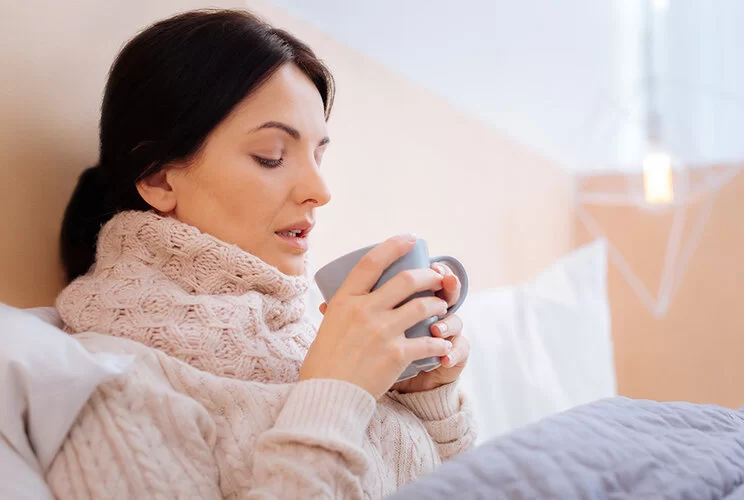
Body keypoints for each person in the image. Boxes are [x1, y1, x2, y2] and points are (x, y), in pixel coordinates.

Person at [48, 8, 475, 499]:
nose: (320, 189)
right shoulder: (109, 381)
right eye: (271, 155)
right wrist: (335, 393)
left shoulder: (306, 338)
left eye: (319, 156)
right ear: (159, 178)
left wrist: (429, 402)